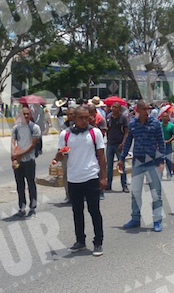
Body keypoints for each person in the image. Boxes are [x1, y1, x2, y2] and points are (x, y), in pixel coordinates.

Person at [56, 106, 107, 256]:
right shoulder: (65, 135)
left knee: (94, 211)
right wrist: (59, 154)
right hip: (73, 179)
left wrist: (103, 177)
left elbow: (101, 156)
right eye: (81, 118)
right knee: (77, 212)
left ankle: (98, 242)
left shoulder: (95, 132)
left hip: (91, 177)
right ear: (74, 118)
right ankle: (80, 241)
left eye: (87, 117)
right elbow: (60, 156)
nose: (85, 120)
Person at [120, 100, 167, 232]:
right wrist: (122, 158)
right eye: (144, 109)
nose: (147, 111)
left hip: (153, 162)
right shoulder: (133, 124)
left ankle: (157, 220)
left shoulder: (155, 123)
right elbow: (129, 141)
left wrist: (162, 160)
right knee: (136, 192)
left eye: (148, 109)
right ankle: (135, 218)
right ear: (138, 110)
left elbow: (161, 142)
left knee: (156, 193)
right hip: (138, 163)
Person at [11, 107, 42, 218]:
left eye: (28, 114)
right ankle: (22, 207)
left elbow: (32, 145)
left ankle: (33, 206)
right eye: (23, 114)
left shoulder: (35, 128)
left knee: (31, 183)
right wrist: (13, 154)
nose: (25, 116)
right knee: (20, 185)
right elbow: (13, 141)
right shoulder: (16, 128)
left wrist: (19, 155)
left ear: (31, 115)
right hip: (18, 160)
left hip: (29, 159)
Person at [106, 101, 130, 194]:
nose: (113, 109)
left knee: (121, 165)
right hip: (110, 143)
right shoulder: (109, 117)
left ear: (119, 109)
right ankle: (109, 184)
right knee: (109, 165)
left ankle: (124, 185)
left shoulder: (123, 118)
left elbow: (126, 131)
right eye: (112, 107)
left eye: (115, 107)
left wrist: (123, 143)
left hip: (119, 144)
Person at [161, 112, 174, 181]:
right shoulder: (159, 125)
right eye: (163, 117)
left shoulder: (171, 125)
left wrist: (168, 141)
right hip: (160, 145)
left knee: (168, 160)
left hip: (168, 145)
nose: (164, 118)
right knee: (160, 160)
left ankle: (169, 174)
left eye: (166, 117)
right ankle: (160, 175)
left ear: (168, 118)